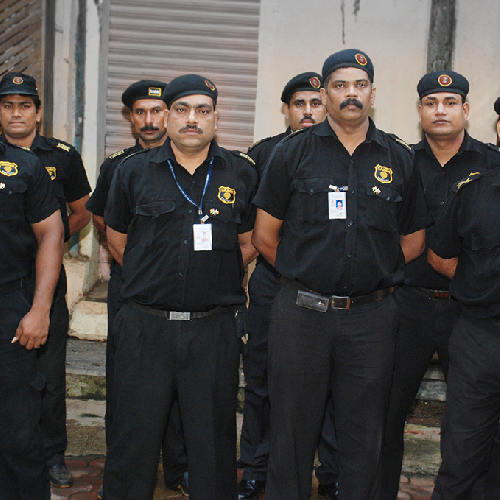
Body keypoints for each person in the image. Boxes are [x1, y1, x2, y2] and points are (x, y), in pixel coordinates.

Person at [251, 49, 431, 500]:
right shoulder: (291, 153)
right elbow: (264, 236)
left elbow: (414, 239)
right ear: (326, 93)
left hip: (372, 320)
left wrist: (374, 271)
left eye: (360, 85)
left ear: (372, 93)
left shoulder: (398, 157)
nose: (351, 93)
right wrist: (306, 274)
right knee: (291, 434)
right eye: (340, 85)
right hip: (301, 315)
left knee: (364, 437)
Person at [102, 74, 258, 500]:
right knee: (132, 440)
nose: (193, 119)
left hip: (212, 329)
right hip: (145, 327)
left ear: (215, 118)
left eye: (203, 111)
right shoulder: (132, 171)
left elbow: (248, 242)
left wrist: (211, 275)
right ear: (168, 116)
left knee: (213, 443)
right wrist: (155, 276)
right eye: (183, 110)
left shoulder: (241, 172)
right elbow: (117, 239)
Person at [378, 70, 500, 500]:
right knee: (385, 413)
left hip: (472, 315)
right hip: (407, 304)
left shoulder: (491, 163)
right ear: (419, 111)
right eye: (431, 103)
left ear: (466, 110)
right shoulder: (399, 162)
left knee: (475, 424)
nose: (440, 111)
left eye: (450, 103)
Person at [86, 80, 189, 498]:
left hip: (181, 298)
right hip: (131, 291)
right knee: (126, 382)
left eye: (156, 111)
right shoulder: (118, 165)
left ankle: (178, 468)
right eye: (140, 112)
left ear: (170, 114)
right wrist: (141, 269)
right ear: (130, 118)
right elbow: (102, 220)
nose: (149, 120)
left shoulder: (191, 163)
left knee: (180, 385)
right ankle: (124, 469)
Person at [238, 71, 334, 500]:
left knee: (329, 383)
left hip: (328, 290)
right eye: (300, 104)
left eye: (316, 103)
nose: (308, 112)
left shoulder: (345, 151)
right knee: (261, 378)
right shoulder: (263, 154)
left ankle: (331, 473)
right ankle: (255, 469)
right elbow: (247, 226)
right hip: (273, 283)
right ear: (286, 109)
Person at [0, 72, 91, 488]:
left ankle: (51, 454)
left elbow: (69, 219)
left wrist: (42, 258)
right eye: (7, 105)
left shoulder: (45, 160)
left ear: (38, 111)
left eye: (24, 105)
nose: (16, 113)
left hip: (24, 292)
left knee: (40, 387)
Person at [427, 146, 500, 499]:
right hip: (481, 339)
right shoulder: (473, 192)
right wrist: (480, 287)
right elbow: (439, 255)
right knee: (462, 457)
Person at [0, 137, 64, 499]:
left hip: (9, 306)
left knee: (18, 430)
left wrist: (40, 310)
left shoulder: (24, 166)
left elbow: (51, 233)